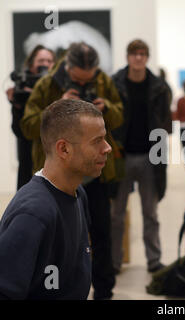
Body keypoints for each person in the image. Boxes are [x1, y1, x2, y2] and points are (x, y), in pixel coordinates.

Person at [20, 42, 123, 300]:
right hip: (60, 174)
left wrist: (106, 108)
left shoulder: (104, 81)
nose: (85, 83)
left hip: (95, 172)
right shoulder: (47, 85)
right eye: (78, 79)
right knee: (60, 239)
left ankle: (104, 290)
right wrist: (58, 110)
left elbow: (121, 116)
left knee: (101, 233)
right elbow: (28, 126)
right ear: (68, 67)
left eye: (89, 79)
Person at [0, 99, 111, 299]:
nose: (107, 148)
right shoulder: (34, 214)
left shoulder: (78, 194)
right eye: (97, 141)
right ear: (64, 149)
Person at [110, 39, 172, 274]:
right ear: (127, 56)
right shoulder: (115, 83)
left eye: (142, 53)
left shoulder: (159, 87)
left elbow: (164, 122)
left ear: (147, 57)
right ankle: (115, 262)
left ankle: (154, 260)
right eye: (134, 53)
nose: (138, 57)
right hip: (120, 156)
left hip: (150, 157)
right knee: (116, 215)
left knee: (151, 214)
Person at [6, 45, 56, 190]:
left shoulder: (59, 87)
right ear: (31, 64)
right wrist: (17, 106)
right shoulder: (22, 86)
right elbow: (18, 130)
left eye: (49, 61)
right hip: (28, 160)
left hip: (53, 159)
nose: (45, 64)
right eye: (41, 61)